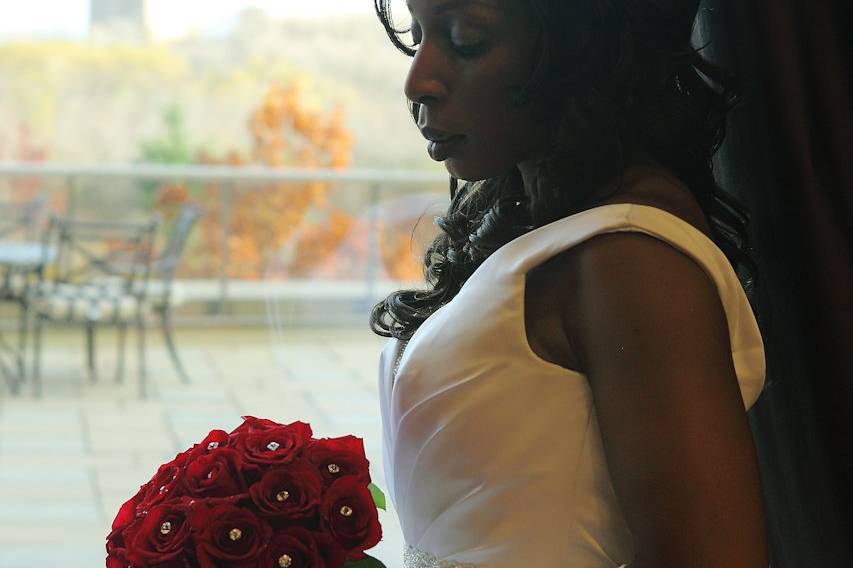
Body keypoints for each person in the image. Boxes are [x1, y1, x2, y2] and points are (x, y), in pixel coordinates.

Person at [370, 1, 770, 566]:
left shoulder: (632, 258)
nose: (419, 81)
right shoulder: (539, 219)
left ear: (580, 48)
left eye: (466, 42)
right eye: (418, 35)